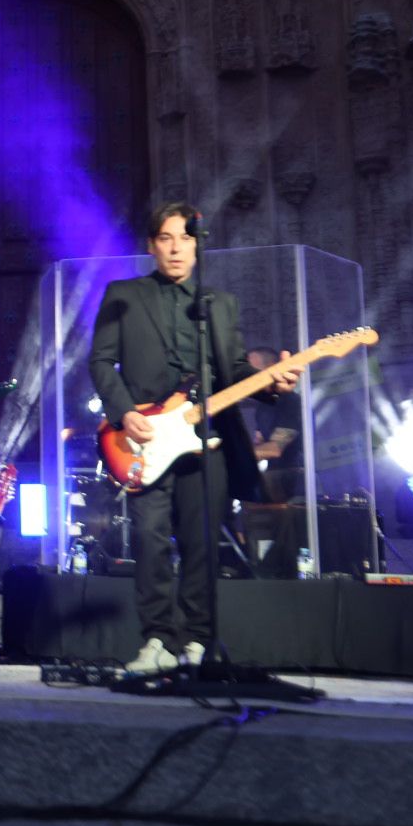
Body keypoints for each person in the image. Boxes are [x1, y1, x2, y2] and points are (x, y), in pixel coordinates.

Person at [89, 203, 302, 675]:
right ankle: (157, 640)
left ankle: (197, 641)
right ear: (152, 245)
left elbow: (236, 371)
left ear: (197, 245)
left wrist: (272, 383)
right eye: (166, 238)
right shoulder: (123, 295)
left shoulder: (218, 304)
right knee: (149, 539)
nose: (176, 248)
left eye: (185, 238)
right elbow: (101, 361)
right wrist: (124, 412)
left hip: (207, 439)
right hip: (145, 437)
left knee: (201, 542)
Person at [247, 345, 305, 503]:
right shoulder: (263, 406)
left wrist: (235, 456)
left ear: (271, 368)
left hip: (295, 486)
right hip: (273, 484)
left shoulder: (291, 402)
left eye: (252, 371)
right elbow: (259, 443)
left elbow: (275, 449)